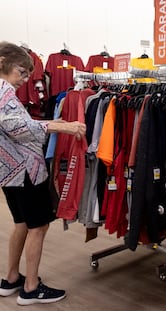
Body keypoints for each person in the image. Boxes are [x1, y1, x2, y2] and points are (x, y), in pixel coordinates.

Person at [0, 42, 86, 305]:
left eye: (28, 74)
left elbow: (18, 124)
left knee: (22, 223)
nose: (25, 79)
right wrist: (64, 127)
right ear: (3, 61)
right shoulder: (4, 94)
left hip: (8, 170)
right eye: (21, 72)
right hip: (25, 170)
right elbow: (18, 130)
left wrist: (48, 122)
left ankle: (12, 278)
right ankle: (31, 287)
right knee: (39, 226)